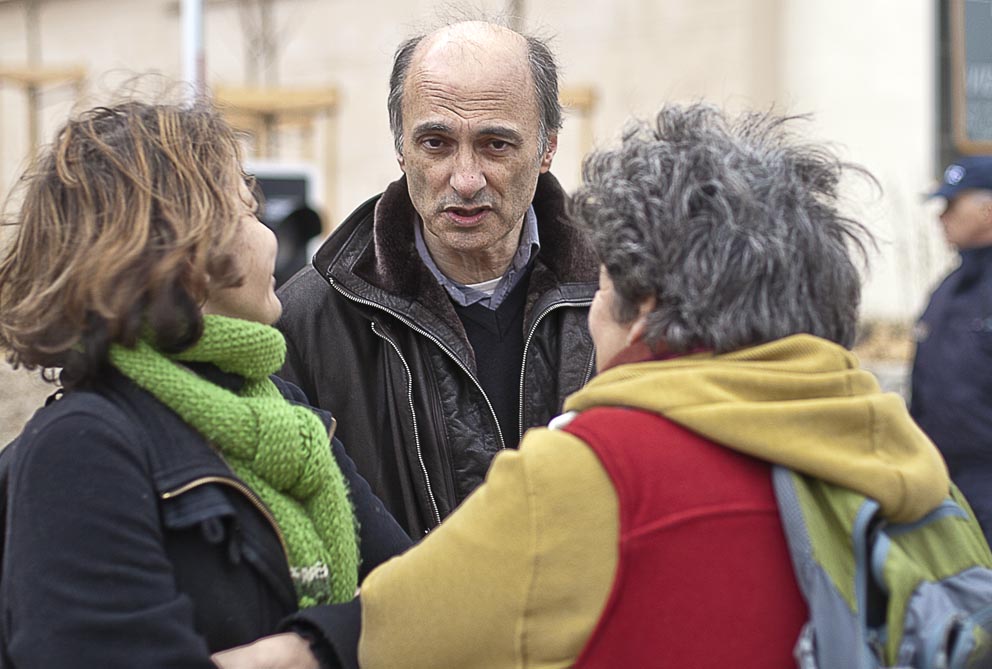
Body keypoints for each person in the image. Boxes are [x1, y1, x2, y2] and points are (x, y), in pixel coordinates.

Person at [220, 104, 951, 668]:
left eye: (603, 282)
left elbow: (396, 626)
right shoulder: (883, 440)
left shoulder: (598, 466)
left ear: (649, 308)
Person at [0, 98, 410, 668]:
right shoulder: (80, 446)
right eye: (248, 212)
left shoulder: (284, 417)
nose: (271, 239)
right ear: (181, 250)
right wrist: (324, 646)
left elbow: (413, 592)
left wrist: (300, 649)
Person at [276, 20, 599, 537]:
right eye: (436, 143)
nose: (465, 179)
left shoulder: (622, 301)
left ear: (547, 149)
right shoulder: (307, 321)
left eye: (495, 144)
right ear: (401, 148)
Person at [911, 155, 992, 542]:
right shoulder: (951, 286)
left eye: (951, 206)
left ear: (988, 209)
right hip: (943, 479)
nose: (940, 218)